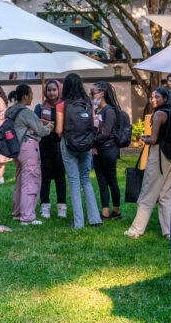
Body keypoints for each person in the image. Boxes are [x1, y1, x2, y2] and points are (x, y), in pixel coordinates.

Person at [125, 87, 171, 240]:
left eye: (157, 97)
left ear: (165, 98)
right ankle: (169, 231)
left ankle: (136, 230)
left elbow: (153, 140)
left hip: (159, 155)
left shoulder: (159, 114)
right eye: (152, 98)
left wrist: (145, 139)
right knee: (166, 195)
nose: (153, 100)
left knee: (147, 193)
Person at [60, 74, 104, 229]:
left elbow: (59, 130)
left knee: (73, 181)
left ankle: (78, 222)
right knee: (86, 180)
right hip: (86, 144)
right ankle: (95, 219)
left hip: (69, 144)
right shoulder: (87, 102)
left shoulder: (63, 104)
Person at [4, 84, 51, 225]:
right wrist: (48, 127)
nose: (31, 97)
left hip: (16, 149)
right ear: (25, 96)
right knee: (31, 181)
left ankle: (17, 212)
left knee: (20, 181)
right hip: (28, 148)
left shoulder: (11, 110)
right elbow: (41, 131)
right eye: (30, 94)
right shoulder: (26, 112)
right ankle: (28, 216)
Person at [34, 80, 66, 219]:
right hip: (45, 146)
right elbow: (35, 124)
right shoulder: (40, 107)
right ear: (45, 92)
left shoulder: (64, 107)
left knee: (60, 178)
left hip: (60, 146)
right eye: (49, 90)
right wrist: (47, 124)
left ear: (59, 90)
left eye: (54, 90)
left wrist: (53, 125)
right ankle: (45, 206)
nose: (52, 93)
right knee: (45, 178)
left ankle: (62, 207)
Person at [91, 82, 123, 220]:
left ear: (102, 93)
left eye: (93, 93)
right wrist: (93, 146)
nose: (91, 96)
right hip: (98, 150)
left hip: (108, 150)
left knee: (111, 180)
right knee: (101, 181)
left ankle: (116, 211)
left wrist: (91, 143)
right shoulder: (98, 111)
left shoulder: (109, 111)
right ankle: (104, 212)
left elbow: (105, 133)